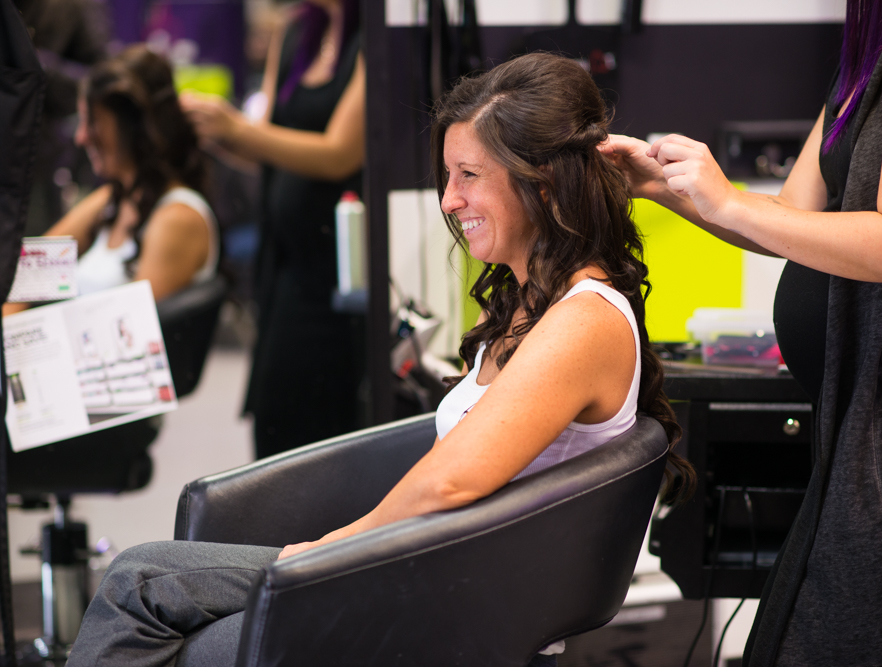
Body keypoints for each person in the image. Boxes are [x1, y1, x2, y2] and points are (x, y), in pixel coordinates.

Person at [65, 52, 696, 667]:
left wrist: (319, 553)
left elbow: (450, 483)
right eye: (448, 177)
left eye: (468, 175)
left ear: (544, 179)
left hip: (442, 609)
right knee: (151, 598)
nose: (449, 201)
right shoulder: (522, 299)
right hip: (420, 582)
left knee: (139, 582)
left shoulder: (583, 319)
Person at [603, 0, 882, 664]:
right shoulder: (880, 46)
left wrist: (724, 197)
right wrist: (660, 187)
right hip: (858, 439)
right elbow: (789, 213)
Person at [180, 0, 365, 460]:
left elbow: (340, 152)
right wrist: (215, 134)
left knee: (318, 426)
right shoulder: (296, 33)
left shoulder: (373, 41)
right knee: (275, 416)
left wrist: (234, 126)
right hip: (282, 264)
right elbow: (267, 145)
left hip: (337, 270)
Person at [3, 45, 217, 316]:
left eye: (93, 123)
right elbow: (30, 277)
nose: (81, 138)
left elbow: (131, 337)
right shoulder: (112, 200)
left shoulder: (178, 218)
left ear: (134, 127)